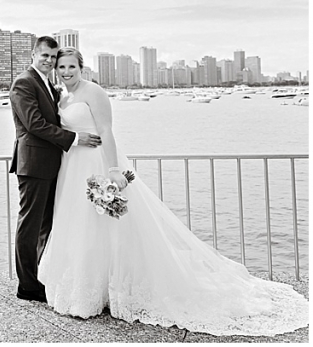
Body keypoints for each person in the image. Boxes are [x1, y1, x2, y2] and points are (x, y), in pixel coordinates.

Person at [37, 47, 308, 336]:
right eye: (61, 67)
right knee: (81, 226)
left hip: (97, 162)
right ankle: (87, 290)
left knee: (108, 227)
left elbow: (106, 130)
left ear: (81, 68)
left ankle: (112, 289)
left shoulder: (94, 91)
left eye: (72, 67)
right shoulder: (62, 96)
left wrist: (113, 170)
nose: (66, 72)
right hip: (72, 167)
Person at [8, 36, 102, 303]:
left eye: (52, 57)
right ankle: (27, 286)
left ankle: (41, 276)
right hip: (34, 164)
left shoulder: (49, 84)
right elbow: (34, 124)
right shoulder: (25, 82)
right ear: (33, 55)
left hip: (51, 164)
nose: (49, 61)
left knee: (45, 225)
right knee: (30, 225)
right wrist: (75, 138)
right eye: (45, 56)